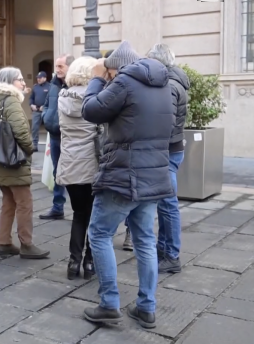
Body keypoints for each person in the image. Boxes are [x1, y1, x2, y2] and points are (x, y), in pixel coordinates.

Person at [81, 40, 174, 329]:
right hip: (154, 174)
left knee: (99, 234)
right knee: (145, 240)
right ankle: (147, 307)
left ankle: (109, 304)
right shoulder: (164, 84)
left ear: (115, 68)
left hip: (123, 175)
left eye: (108, 72)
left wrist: (96, 77)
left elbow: (91, 110)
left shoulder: (123, 82)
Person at [0, 67, 49, 259]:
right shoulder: (11, 101)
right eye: (19, 79)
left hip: (1, 159)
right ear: (9, 82)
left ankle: (4, 242)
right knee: (24, 202)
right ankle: (27, 244)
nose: (23, 83)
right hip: (14, 160)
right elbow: (21, 132)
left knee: (8, 202)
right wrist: (30, 148)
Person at [55, 56, 101, 280]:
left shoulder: (62, 96)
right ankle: (89, 262)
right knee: (94, 216)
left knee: (78, 214)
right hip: (91, 164)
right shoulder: (96, 99)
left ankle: (73, 263)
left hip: (70, 163)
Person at [147, 43, 190, 274]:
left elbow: (166, 122)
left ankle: (171, 255)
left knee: (168, 204)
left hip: (167, 150)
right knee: (166, 203)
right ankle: (164, 250)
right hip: (172, 149)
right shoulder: (174, 81)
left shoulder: (169, 85)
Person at [40, 54, 75, 220]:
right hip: (55, 136)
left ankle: (78, 209)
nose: (57, 70)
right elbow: (47, 104)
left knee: (75, 174)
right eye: (56, 66)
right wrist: (45, 117)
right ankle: (58, 207)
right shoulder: (54, 85)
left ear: (70, 67)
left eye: (60, 66)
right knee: (57, 172)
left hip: (71, 138)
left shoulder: (77, 85)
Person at [30, 71, 50, 151]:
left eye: (40, 78)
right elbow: (31, 97)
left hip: (46, 110)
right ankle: (34, 145)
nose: (38, 79)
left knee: (49, 127)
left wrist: (45, 105)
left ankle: (51, 145)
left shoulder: (50, 87)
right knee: (34, 128)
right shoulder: (35, 87)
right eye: (37, 78)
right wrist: (31, 104)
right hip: (36, 110)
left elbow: (50, 98)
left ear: (45, 78)